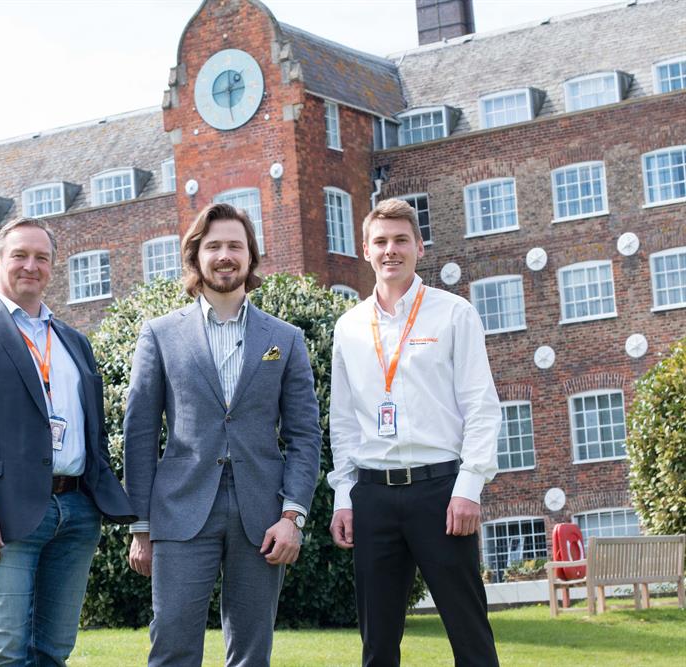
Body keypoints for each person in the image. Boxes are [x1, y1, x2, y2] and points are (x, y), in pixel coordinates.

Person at [0, 218, 135, 666]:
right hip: (1, 516)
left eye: (41, 257)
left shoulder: (75, 341)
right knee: (4, 651)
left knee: (54, 650)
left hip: (77, 512)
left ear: (52, 267)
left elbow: (91, 429)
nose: (30, 265)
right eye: (20, 255)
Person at [123, 203, 322, 667]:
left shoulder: (285, 338)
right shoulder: (159, 335)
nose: (225, 255)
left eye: (235, 245)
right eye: (213, 246)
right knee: (172, 643)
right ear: (197, 256)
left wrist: (292, 516)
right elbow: (139, 433)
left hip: (264, 515)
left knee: (252, 653)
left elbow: (304, 434)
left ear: (251, 257)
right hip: (179, 509)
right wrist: (140, 525)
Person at [328, 198, 501, 667]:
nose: (391, 250)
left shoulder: (453, 314)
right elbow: (342, 421)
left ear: (419, 248)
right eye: (380, 241)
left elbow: (482, 406)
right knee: (378, 644)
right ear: (365, 250)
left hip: (441, 493)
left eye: (401, 240)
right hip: (373, 497)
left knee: (470, 636)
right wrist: (344, 496)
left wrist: (469, 487)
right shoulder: (348, 327)